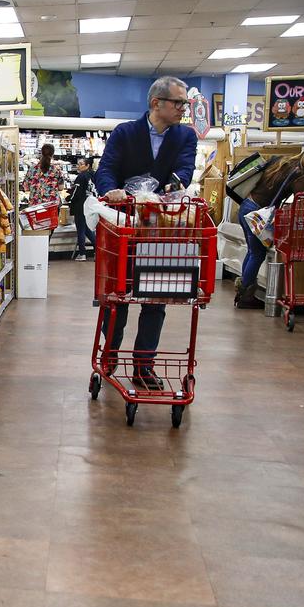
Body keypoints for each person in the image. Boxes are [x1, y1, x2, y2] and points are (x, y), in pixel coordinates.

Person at [93, 75, 197, 390]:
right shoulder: (125, 133)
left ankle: (143, 367)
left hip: (161, 228)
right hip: (122, 226)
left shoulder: (185, 137)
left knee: (156, 299)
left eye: (184, 103)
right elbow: (106, 169)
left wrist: (171, 187)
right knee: (117, 298)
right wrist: (111, 190)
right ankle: (110, 354)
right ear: (156, 103)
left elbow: (185, 169)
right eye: (178, 102)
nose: (183, 108)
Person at [234, 145, 304, 309]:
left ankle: (243, 293)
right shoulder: (300, 176)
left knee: (252, 252)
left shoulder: (283, 161)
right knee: (257, 254)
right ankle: (245, 297)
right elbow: (300, 203)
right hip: (259, 214)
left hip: (246, 206)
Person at [68, 156, 96, 261]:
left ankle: (82, 253)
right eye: (78, 164)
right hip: (91, 205)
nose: (79, 166)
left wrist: (69, 199)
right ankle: (97, 250)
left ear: (87, 165)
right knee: (88, 230)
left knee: (80, 229)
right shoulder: (93, 175)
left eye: (81, 164)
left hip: (80, 206)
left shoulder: (81, 177)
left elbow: (76, 192)